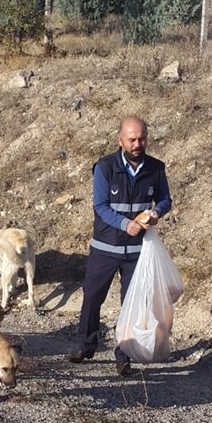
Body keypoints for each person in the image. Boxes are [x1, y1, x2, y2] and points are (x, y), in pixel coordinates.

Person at [67, 116, 172, 375]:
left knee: (132, 305)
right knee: (92, 296)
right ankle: (85, 344)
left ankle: (124, 355)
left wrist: (157, 211)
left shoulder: (156, 168)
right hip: (105, 247)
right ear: (120, 140)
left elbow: (166, 199)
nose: (138, 144)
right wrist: (126, 225)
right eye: (132, 139)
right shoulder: (105, 168)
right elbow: (100, 206)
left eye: (142, 139)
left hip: (137, 252)